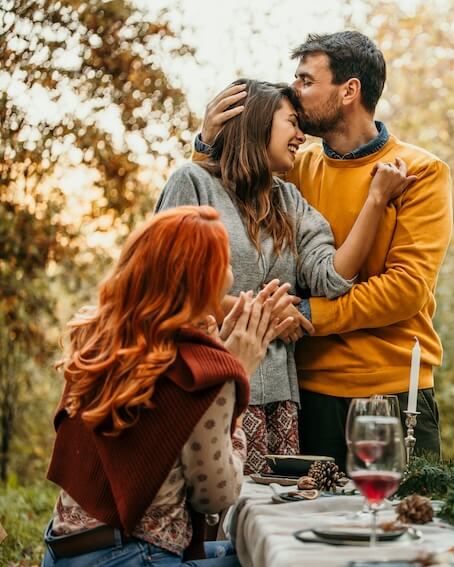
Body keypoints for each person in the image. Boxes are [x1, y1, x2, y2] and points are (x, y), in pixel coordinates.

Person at [195, 31, 453, 466]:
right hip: (305, 395)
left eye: (306, 81)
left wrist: (310, 315)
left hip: (391, 393)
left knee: (399, 525)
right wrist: (206, 143)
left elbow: (407, 288)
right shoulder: (294, 170)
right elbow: (229, 197)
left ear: (349, 90)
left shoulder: (421, 173)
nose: (294, 92)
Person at [158, 79, 414, 473]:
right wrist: (265, 316)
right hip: (203, 386)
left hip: (279, 399)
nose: (301, 135)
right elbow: (170, 289)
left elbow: (331, 276)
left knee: (269, 516)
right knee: (211, 512)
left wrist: (376, 200)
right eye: (292, 123)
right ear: (258, 122)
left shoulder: (288, 199)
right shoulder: (191, 183)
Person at [43, 205, 290, 566]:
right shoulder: (204, 374)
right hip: (134, 556)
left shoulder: (101, 342)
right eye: (223, 260)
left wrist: (214, 357)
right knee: (276, 557)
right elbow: (216, 496)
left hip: (65, 552)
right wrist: (235, 373)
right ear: (203, 281)